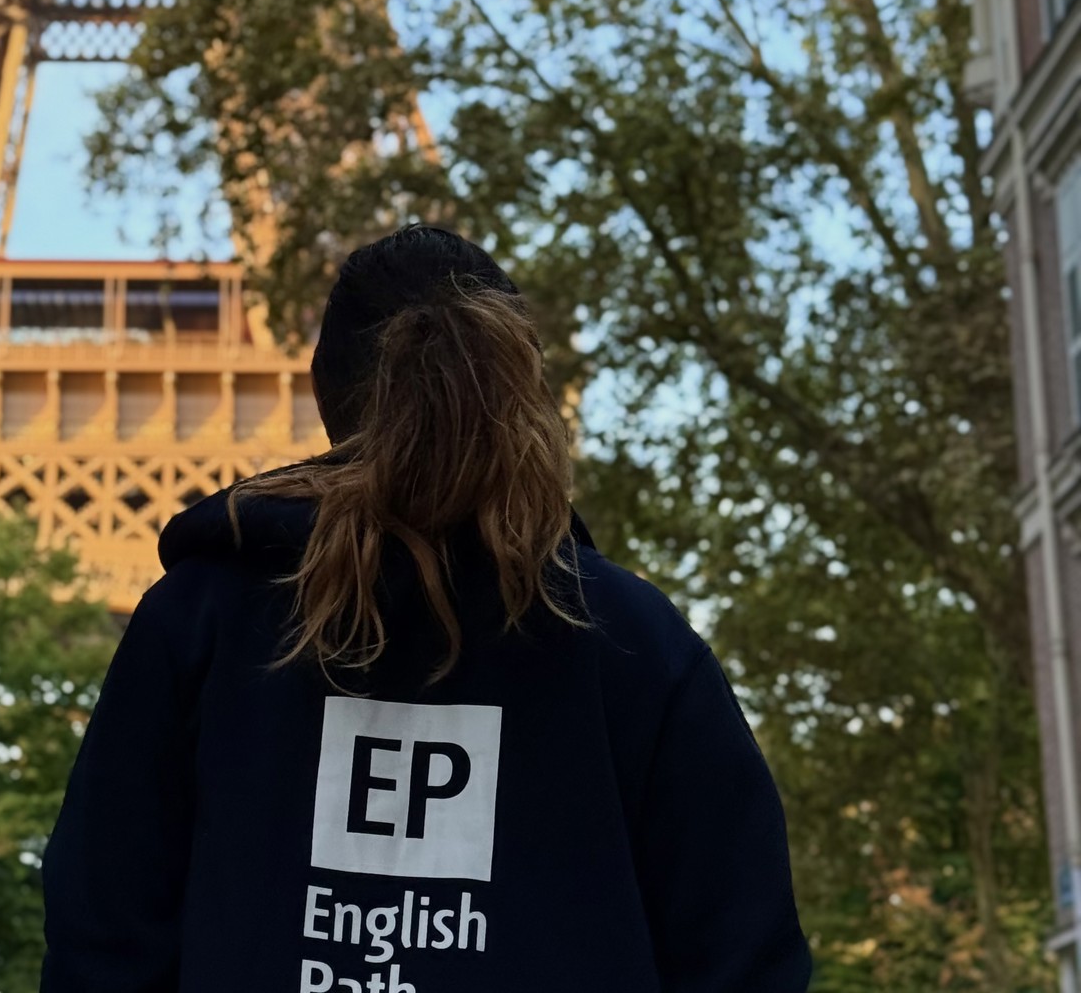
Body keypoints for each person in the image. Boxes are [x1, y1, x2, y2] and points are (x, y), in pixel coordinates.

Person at [41, 225, 811, 993]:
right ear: (518, 385)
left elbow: (101, 947)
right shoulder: (637, 642)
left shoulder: (196, 622)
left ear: (324, 398)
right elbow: (743, 958)